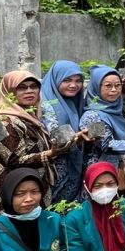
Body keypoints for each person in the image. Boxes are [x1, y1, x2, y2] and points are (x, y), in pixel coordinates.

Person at [0, 71, 72, 212]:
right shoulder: (1, 120)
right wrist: (50, 154)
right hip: (14, 188)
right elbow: (12, 160)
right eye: (22, 87)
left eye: (34, 86)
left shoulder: (29, 116)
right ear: (9, 91)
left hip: (33, 183)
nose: (29, 91)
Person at [41, 60, 88, 204]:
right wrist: (76, 137)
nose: (73, 85)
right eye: (67, 80)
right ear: (56, 79)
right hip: (53, 168)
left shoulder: (75, 101)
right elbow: (54, 135)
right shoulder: (45, 103)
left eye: (78, 81)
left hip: (73, 164)